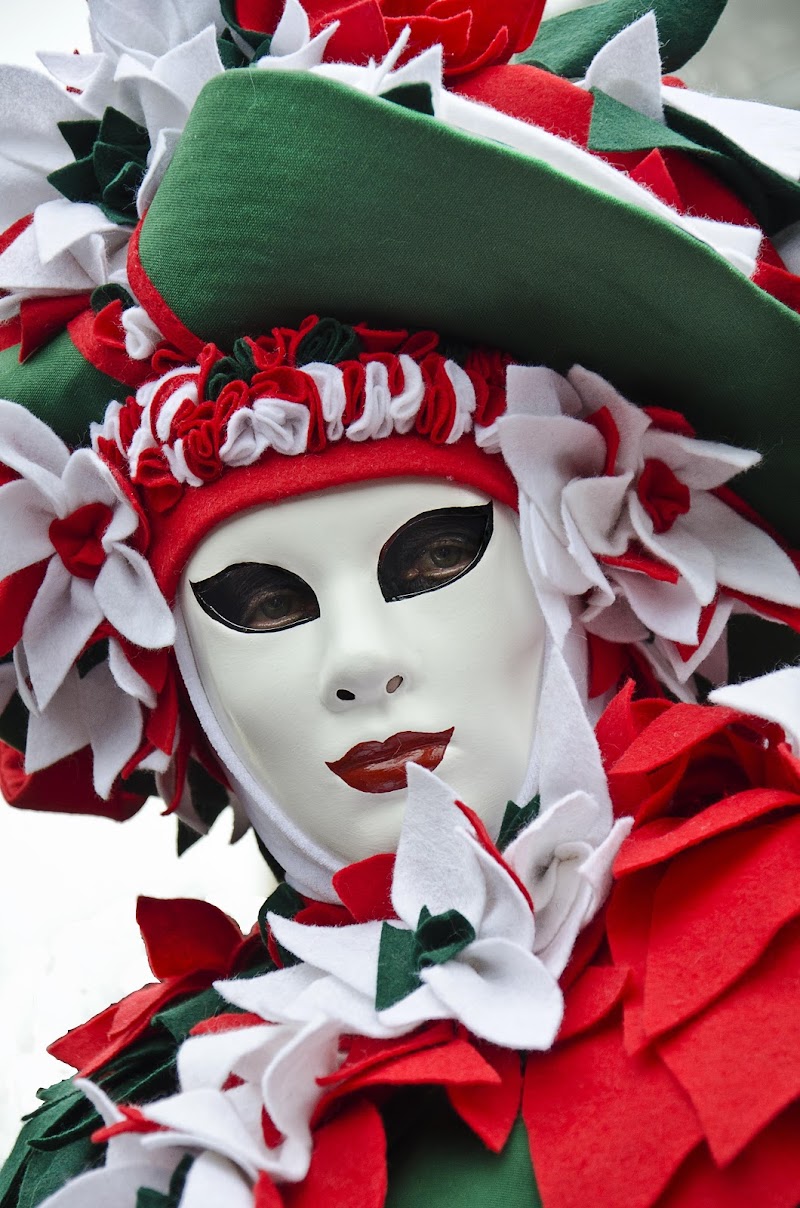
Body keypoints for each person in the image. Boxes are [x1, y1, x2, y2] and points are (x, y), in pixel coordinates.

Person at [1, 0, 800, 1204]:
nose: (358, 660)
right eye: (258, 601)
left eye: (429, 560)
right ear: (178, 673)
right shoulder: (116, 1154)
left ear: (587, 565)